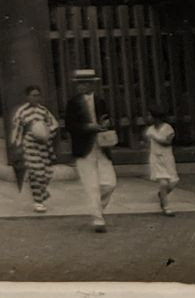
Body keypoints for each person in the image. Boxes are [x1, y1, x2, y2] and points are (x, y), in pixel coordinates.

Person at [64, 69, 118, 232]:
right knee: (91, 185)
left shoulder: (100, 101)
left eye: (85, 83)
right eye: (79, 83)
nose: (81, 86)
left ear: (92, 84)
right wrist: (88, 126)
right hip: (83, 147)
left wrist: (105, 124)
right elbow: (70, 126)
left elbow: (108, 119)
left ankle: (97, 209)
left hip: (101, 146)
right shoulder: (73, 103)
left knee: (110, 183)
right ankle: (98, 219)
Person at [10, 85, 61, 213]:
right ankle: (38, 201)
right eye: (33, 95)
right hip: (29, 145)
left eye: (38, 95)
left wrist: (46, 132)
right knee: (37, 172)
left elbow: (54, 124)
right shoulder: (22, 112)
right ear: (27, 97)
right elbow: (17, 130)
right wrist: (17, 145)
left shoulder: (43, 111)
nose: (36, 98)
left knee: (47, 173)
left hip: (43, 145)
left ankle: (41, 195)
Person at [144, 109, 179, 216]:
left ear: (156, 117)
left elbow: (167, 142)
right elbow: (148, 142)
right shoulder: (150, 129)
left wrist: (155, 137)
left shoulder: (168, 128)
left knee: (173, 182)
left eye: (150, 115)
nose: (148, 118)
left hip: (167, 157)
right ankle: (166, 207)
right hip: (155, 158)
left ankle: (162, 195)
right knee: (163, 183)